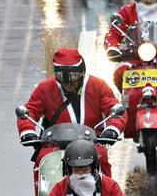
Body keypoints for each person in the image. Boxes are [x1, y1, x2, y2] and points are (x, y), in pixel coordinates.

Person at [17, 48, 127, 178]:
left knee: (101, 160)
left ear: (81, 72)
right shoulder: (45, 88)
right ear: (56, 74)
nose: (68, 82)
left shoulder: (98, 86)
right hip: (54, 143)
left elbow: (115, 109)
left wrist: (112, 129)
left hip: (91, 142)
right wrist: (27, 131)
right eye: (61, 77)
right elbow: (29, 112)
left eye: (73, 76)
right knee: (43, 162)